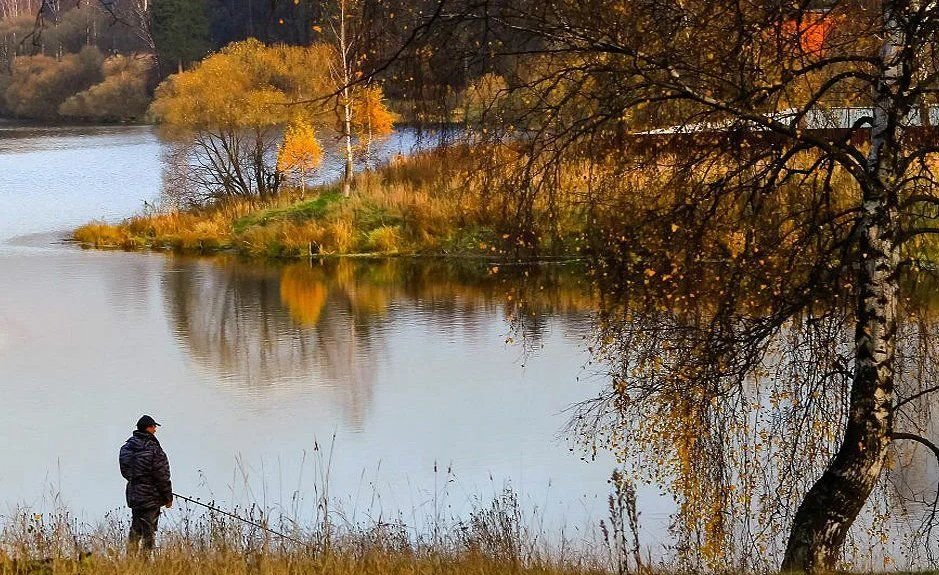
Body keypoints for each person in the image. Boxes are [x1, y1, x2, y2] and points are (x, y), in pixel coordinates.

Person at [119, 415, 173, 553]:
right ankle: (145, 563)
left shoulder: (126, 448)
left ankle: (130, 561)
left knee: (136, 528)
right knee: (149, 530)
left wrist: (139, 481)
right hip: (151, 496)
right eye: (154, 427)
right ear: (148, 428)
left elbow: (126, 472)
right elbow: (162, 475)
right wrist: (168, 497)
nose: (155, 430)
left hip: (134, 493)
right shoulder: (154, 448)